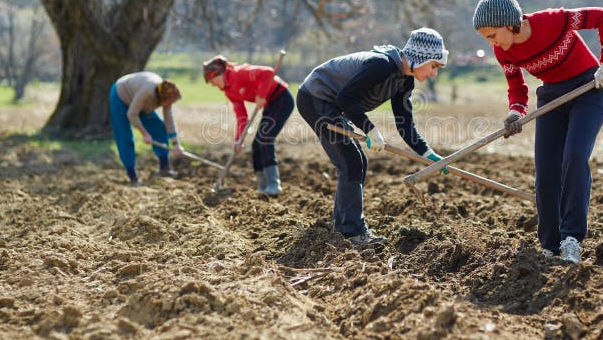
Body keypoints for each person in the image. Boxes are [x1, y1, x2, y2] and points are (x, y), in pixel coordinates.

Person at [472, 0, 603, 264]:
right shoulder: (504, 53)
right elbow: (517, 87)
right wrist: (515, 113)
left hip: (588, 90)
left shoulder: (553, 21)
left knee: (574, 157)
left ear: (508, 23)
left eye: (492, 34)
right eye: (486, 38)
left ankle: (571, 239)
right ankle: (550, 246)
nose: (492, 42)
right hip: (551, 97)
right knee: (546, 172)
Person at [296, 27, 449, 246]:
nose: (435, 73)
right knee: (350, 161)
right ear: (419, 58)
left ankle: (343, 226)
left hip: (332, 104)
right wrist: (370, 129)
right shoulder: (381, 65)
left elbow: (404, 123)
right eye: (434, 65)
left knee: (356, 161)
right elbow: (346, 98)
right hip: (315, 98)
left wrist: (427, 153)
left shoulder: (405, 80)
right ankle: (351, 232)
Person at [202, 55, 294, 196]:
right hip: (270, 103)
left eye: (212, 80)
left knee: (265, 138)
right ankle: (263, 187)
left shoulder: (239, 73)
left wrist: (261, 95)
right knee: (256, 145)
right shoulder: (228, 91)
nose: (212, 85)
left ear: (218, 74)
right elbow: (241, 116)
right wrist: (239, 139)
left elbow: (268, 72)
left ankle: (274, 184)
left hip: (281, 98)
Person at [109, 72, 185, 186]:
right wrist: (144, 133)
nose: (170, 105)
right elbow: (132, 114)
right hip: (120, 95)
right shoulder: (147, 92)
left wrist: (176, 144)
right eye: (169, 103)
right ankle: (132, 176)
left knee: (158, 127)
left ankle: (164, 167)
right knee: (124, 136)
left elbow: (168, 119)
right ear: (163, 98)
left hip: (138, 99)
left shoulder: (165, 95)